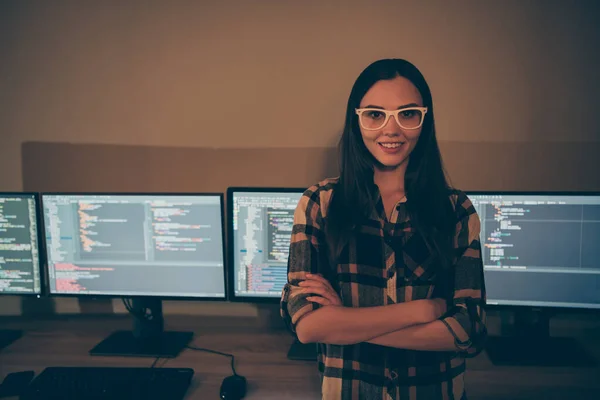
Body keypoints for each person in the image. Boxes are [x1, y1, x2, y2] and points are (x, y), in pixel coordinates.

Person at [280, 58, 487, 400]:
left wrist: (343, 321)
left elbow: (468, 330)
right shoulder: (320, 203)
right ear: (357, 120)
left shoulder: (456, 210)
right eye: (375, 114)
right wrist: (420, 312)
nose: (391, 130)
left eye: (407, 114)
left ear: (424, 120)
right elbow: (307, 325)